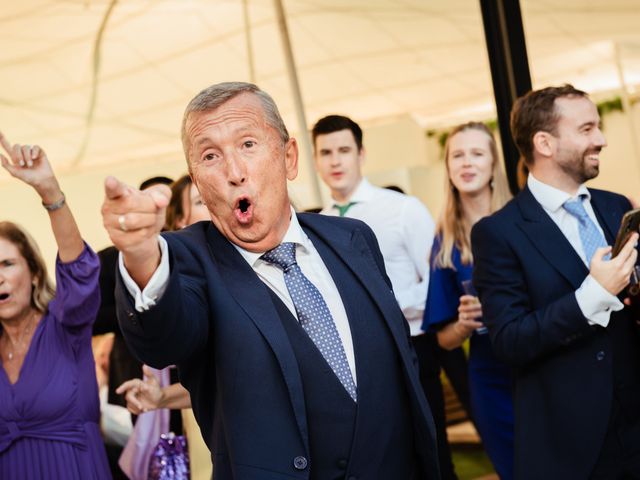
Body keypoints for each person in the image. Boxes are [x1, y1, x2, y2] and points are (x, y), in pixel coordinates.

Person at [101, 82, 439, 479]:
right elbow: (163, 339)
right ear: (198, 183)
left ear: (289, 157)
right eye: (210, 155)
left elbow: (397, 357)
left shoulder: (354, 238)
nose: (234, 172)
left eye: (248, 144)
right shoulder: (190, 260)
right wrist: (141, 253)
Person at [471, 84, 640, 479]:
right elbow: (509, 340)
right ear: (544, 143)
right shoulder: (499, 233)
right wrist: (594, 294)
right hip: (572, 446)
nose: (600, 139)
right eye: (586, 129)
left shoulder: (616, 205)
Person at [310, 114, 457, 478]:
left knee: (432, 452)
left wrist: (389, 307)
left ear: (361, 154)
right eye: (326, 152)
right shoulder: (316, 225)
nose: (335, 160)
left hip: (415, 346)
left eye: (344, 150)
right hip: (359, 361)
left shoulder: (401, 209)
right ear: (314, 160)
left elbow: (438, 283)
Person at [0, 133, 110, 478]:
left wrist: (50, 192)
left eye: (6, 264)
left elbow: (79, 272)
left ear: (33, 272)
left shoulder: (66, 324)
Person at [423, 122, 514, 479]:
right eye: (457, 155)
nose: (467, 163)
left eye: (477, 153)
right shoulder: (444, 241)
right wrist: (464, 323)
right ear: (447, 168)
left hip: (539, 365)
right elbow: (443, 339)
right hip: (489, 375)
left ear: (494, 164)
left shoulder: (523, 220)